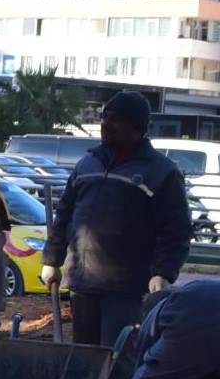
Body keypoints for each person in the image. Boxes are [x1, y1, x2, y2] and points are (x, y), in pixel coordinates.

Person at [41, 91, 191, 350]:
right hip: (83, 283)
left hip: (126, 288)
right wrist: (52, 260)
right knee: (83, 357)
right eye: (105, 117)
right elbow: (65, 213)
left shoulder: (161, 172)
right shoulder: (88, 164)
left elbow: (176, 229)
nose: (106, 124)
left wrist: (163, 272)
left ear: (137, 127)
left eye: (115, 119)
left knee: (117, 356)